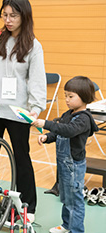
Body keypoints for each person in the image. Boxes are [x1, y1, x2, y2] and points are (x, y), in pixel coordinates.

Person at [0, 0, 46, 221]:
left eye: (13, 16)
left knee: (21, 158)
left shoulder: (34, 46)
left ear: (24, 16)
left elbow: (36, 79)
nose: (8, 20)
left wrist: (35, 108)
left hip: (17, 112)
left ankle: (28, 206)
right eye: (4, 15)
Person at [32, 76, 98, 233]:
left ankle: (76, 229)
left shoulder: (83, 119)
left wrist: (46, 123)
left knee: (75, 200)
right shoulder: (69, 114)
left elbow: (68, 131)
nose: (67, 100)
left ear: (84, 97)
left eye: (71, 96)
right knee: (66, 197)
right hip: (64, 164)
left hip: (74, 165)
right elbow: (60, 131)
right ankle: (67, 224)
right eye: (65, 96)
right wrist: (47, 137)